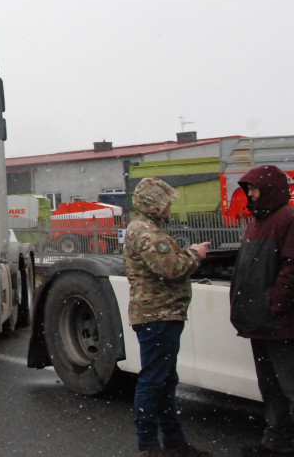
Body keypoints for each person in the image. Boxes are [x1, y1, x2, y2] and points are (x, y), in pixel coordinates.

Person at [123, 177, 212, 457]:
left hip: (159, 314)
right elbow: (171, 268)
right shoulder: (148, 233)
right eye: (166, 201)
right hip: (158, 315)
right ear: (154, 204)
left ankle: (173, 442)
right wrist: (195, 254)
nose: (170, 206)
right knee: (154, 381)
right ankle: (149, 445)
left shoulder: (144, 229)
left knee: (164, 380)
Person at [230, 165, 294, 457]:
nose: (250, 194)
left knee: (289, 386)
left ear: (268, 189)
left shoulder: (286, 219)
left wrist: (275, 305)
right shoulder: (257, 221)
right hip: (261, 322)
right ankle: (276, 443)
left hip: (279, 323)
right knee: (271, 388)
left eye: (253, 189)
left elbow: (290, 269)